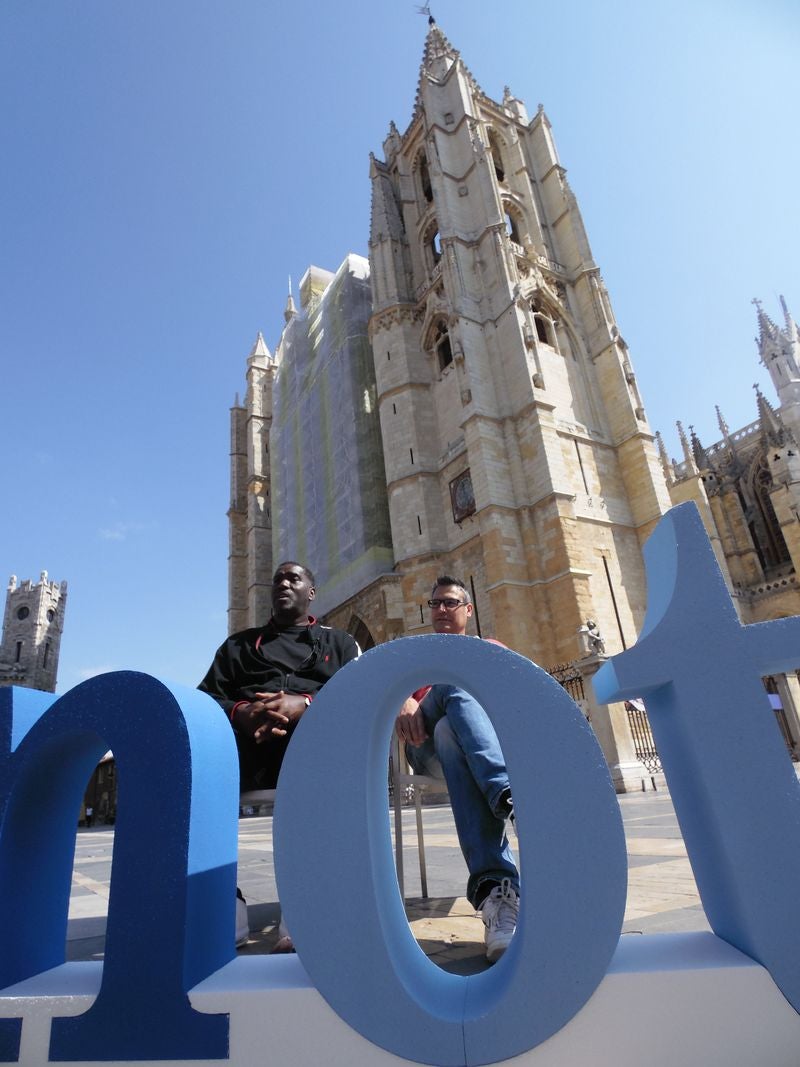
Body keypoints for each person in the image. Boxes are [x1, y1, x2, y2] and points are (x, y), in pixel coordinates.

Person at [199, 561, 360, 949]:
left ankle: (303, 905)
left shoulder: (338, 644)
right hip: (246, 748)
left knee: (318, 752)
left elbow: (359, 693)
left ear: (311, 592)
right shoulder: (238, 646)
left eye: (294, 578)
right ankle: (225, 904)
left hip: (312, 749)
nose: (283, 583)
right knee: (194, 769)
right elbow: (205, 700)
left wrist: (305, 702)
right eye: (277, 579)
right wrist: (242, 712)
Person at [395, 576, 519, 962]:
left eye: (450, 603)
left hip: (464, 750)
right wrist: (401, 695)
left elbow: (519, 697)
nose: (441, 610)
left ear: (468, 609)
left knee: (452, 728)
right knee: (453, 680)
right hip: (424, 749)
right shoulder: (417, 657)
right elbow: (385, 687)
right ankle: (507, 794)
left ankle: (495, 893)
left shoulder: (492, 649)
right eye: (434, 604)